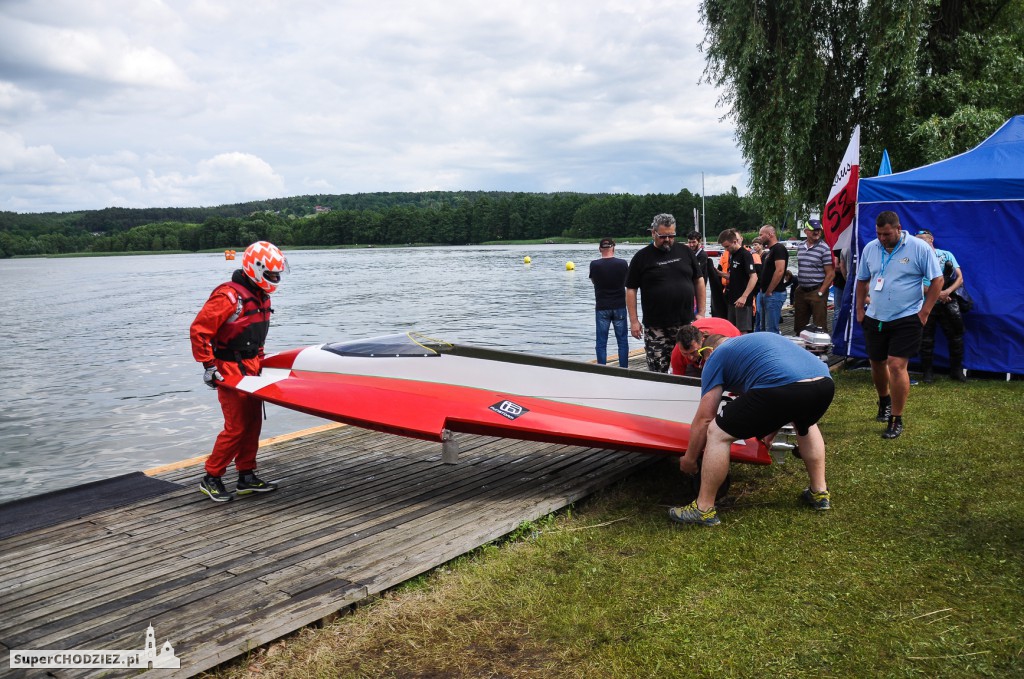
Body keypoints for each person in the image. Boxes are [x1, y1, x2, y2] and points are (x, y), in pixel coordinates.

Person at [669, 332, 835, 526]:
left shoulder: (715, 356)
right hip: (824, 385)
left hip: (783, 387)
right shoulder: (752, 344)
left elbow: (705, 417)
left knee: (717, 432)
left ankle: (703, 508)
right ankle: (819, 492)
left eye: (699, 358)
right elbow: (783, 394)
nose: (700, 363)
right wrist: (770, 430)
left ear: (709, 350)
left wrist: (689, 458)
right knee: (804, 423)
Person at [190, 241, 289, 502]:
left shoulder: (260, 295)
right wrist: (209, 367)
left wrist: (261, 362)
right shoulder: (228, 296)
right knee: (236, 427)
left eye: (277, 274)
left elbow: (255, 336)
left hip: (251, 367)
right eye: (271, 274)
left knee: (253, 424)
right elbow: (199, 330)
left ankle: (246, 476)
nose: (275, 279)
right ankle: (211, 477)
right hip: (228, 369)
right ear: (255, 269)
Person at [856, 211, 943, 439]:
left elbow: (938, 280)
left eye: (886, 234)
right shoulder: (870, 248)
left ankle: (896, 418)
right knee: (877, 363)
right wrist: (858, 309)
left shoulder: (918, 248)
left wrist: (925, 311)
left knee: (896, 365)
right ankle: (884, 400)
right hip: (875, 316)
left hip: (907, 317)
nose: (882, 238)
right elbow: (862, 280)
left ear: (898, 228)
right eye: (878, 234)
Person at [626, 214, 707, 372]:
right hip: (656, 326)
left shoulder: (686, 251)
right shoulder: (641, 257)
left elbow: (699, 280)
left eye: (671, 236)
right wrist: (634, 321)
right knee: (658, 368)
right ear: (653, 233)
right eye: (663, 236)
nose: (668, 240)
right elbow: (631, 289)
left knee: (691, 365)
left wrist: (702, 312)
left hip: (686, 322)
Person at [915, 230, 967, 382]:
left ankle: (956, 372)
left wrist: (948, 291)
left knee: (956, 337)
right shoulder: (916, 258)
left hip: (948, 302)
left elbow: (960, 277)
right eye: (916, 240)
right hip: (926, 304)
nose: (919, 242)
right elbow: (915, 283)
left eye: (922, 239)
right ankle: (927, 373)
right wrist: (938, 294)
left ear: (931, 239)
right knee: (926, 340)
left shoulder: (946, 254)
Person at [589, 237, 630, 368]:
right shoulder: (622, 263)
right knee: (622, 341)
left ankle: (602, 370)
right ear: (613, 247)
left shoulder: (594, 264)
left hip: (602, 307)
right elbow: (627, 283)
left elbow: (594, 281)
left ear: (600, 249)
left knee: (601, 342)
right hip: (619, 306)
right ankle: (623, 369)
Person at [793, 221, 835, 334]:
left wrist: (821, 292)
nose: (816, 232)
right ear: (806, 231)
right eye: (813, 230)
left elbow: (830, 273)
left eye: (818, 230)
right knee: (799, 325)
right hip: (801, 290)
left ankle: (821, 350)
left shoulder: (824, 248)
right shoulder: (800, 246)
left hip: (817, 290)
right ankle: (800, 348)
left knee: (819, 326)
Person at [669, 317, 742, 377]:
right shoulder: (677, 353)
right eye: (685, 353)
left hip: (732, 342)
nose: (690, 357)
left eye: (693, 352)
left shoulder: (720, 347)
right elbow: (678, 380)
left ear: (702, 340)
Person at [717, 229, 757, 334]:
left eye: (727, 246)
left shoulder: (745, 254)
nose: (726, 249)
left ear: (735, 241)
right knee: (732, 330)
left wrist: (744, 297)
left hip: (742, 301)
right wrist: (720, 273)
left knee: (742, 331)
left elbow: (754, 277)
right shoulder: (733, 254)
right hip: (732, 299)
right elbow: (735, 276)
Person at [756, 225, 789, 334]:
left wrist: (769, 290)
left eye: (761, 234)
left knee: (771, 329)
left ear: (770, 234)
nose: (759, 237)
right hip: (765, 293)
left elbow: (780, 271)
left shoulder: (779, 249)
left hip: (774, 294)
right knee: (763, 328)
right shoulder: (770, 251)